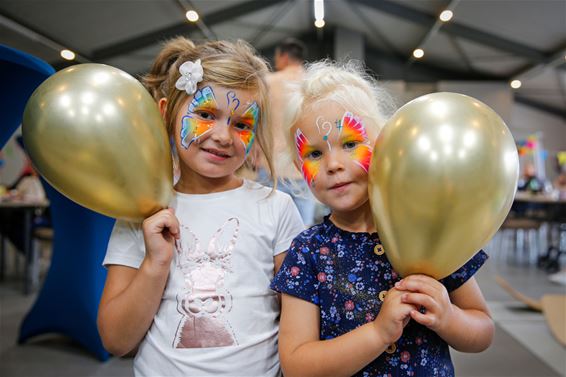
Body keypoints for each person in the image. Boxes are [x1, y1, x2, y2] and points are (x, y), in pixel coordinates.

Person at [270, 61, 494, 377]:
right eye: (315, 154)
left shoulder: (429, 230)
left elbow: (483, 330)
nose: (333, 164)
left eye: (350, 143)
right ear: (298, 164)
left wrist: (448, 317)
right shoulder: (307, 252)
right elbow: (296, 365)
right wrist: (378, 333)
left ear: (387, 144)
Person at [97, 37, 304, 376]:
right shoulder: (142, 212)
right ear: (166, 113)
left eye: (241, 124)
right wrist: (155, 263)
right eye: (207, 114)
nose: (224, 136)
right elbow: (116, 340)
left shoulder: (275, 207)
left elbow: (300, 326)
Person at [262, 38, 318, 226]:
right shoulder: (314, 83)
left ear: (284, 57)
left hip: (271, 166)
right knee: (303, 230)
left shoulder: (268, 83)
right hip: (305, 166)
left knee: (269, 228)